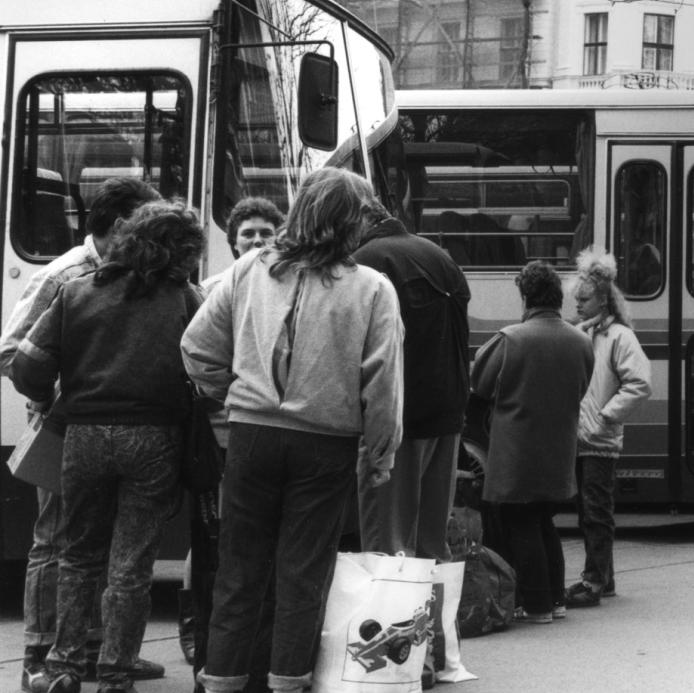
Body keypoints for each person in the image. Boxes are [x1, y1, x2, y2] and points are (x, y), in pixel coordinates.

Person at [182, 167, 404, 693]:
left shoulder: (250, 271)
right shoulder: (372, 289)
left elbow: (195, 349)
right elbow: (383, 385)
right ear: (351, 224)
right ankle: (287, 683)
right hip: (325, 444)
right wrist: (380, 454)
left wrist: (234, 393)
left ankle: (223, 681)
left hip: (251, 437)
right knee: (302, 573)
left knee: (238, 569)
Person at [10, 200, 205, 693]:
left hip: (84, 437)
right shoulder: (185, 299)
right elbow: (211, 366)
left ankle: (64, 665)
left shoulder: (76, 292)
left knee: (78, 554)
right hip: (154, 439)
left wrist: (52, 397)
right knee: (131, 563)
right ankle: (116, 670)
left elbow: (28, 366)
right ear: (178, 251)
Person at [184, 197, 286, 692]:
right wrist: (231, 394)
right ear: (232, 240)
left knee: (247, 555)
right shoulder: (211, 291)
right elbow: (196, 353)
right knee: (217, 554)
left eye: (267, 232)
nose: (258, 241)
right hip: (221, 439)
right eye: (249, 234)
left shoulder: (285, 288)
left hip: (254, 436)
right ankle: (212, 658)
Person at [471, 261, 594, 623]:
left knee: (521, 522)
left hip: (516, 451)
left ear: (526, 297)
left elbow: (479, 382)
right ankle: (556, 599)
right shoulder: (581, 342)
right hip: (558, 449)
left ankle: (538, 604)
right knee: (544, 521)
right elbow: (582, 388)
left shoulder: (511, 339)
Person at [354, 199, 470, 561]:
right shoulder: (438, 254)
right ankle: (433, 615)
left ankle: (392, 617)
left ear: (359, 220)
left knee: (388, 543)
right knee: (432, 543)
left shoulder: (368, 259)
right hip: (448, 411)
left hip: (400, 416)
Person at [563, 249, 651, 608]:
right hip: (584, 438)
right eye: (577, 299)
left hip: (597, 439)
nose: (578, 305)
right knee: (591, 511)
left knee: (596, 512)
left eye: (584, 299)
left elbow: (640, 383)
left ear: (603, 298)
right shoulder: (585, 333)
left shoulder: (618, 337)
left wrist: (604, 417)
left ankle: (594, 580)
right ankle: (603, 578)